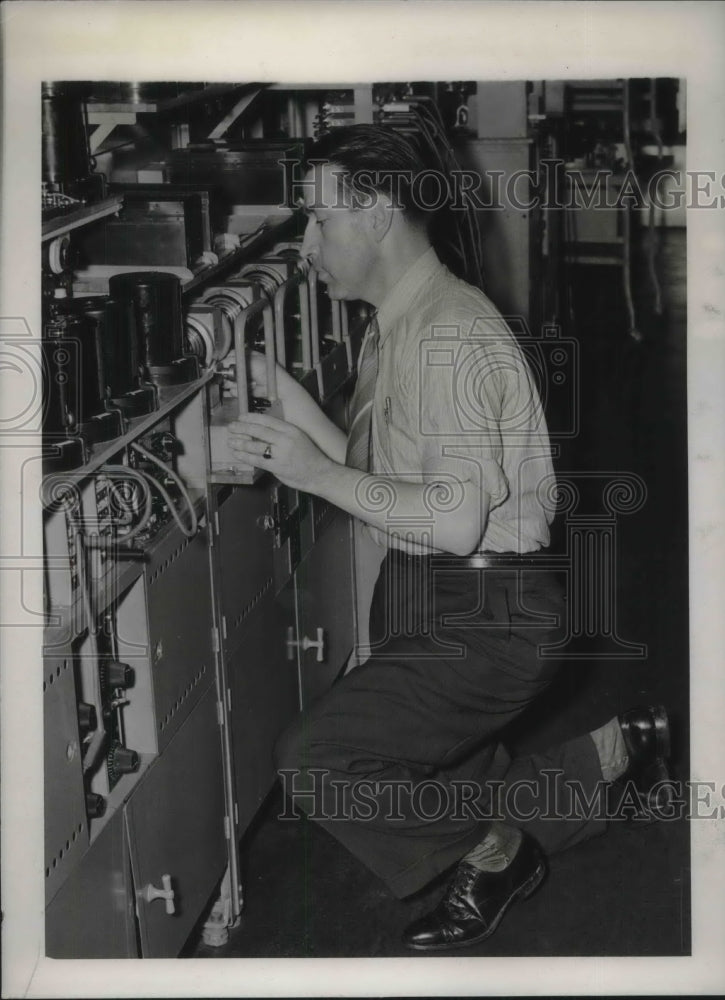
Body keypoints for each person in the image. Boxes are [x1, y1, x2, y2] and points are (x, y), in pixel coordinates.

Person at [227, 125, 671, 951]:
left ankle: (493, 855)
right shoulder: (397, 323)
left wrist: (313, 478)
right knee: (450, 779)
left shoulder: (450, 336)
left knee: (318, 758)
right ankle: (616, 754)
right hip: (427, 591)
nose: (306, 244)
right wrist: (276, 390)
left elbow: (453, 513)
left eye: (319, 221)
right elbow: (370, 467)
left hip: (486, 611)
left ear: (378, 214)